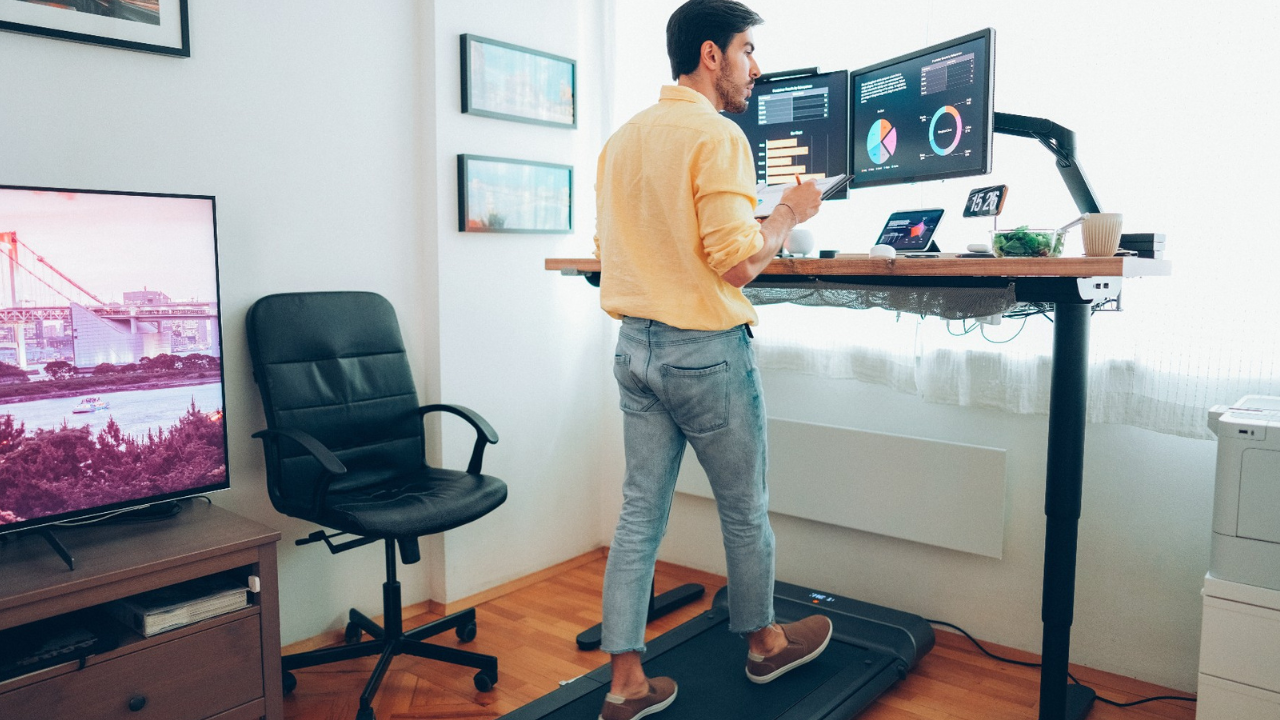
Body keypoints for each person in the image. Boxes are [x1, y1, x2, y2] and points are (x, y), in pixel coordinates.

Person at [592, 1, 832, 718]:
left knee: (639, 513)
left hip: (634, 349)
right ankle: (764, 646)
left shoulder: (623, 140)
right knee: (743, 509)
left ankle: (626, 684)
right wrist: (790, 212)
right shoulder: (719, 135)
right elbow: (738, 263)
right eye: (748, 51)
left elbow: (609, 252)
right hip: (702, 353)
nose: (754, 68)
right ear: (710, 56)